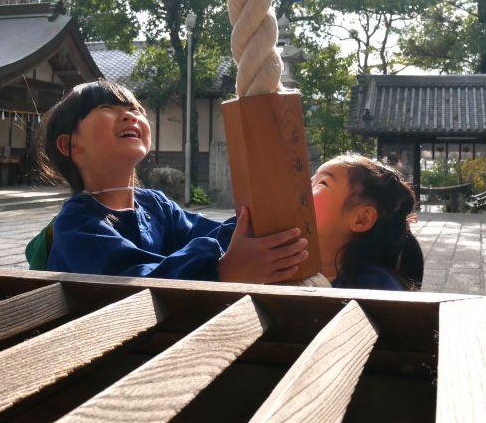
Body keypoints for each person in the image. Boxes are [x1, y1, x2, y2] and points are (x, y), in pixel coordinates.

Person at [28, 79, 309, 283]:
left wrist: (265, 221)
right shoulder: (76, 223)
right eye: (107, 107)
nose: (130, 115)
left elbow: (209, 234)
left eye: (136, 109)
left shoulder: (156, 205)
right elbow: (130, 283)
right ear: (69, 145)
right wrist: (221, 270)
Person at [311, 154, 424, 291]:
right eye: (311, 178)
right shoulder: (286, 266)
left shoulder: (378, 290)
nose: (304, 186)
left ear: (362, 219)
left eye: (323, 182)